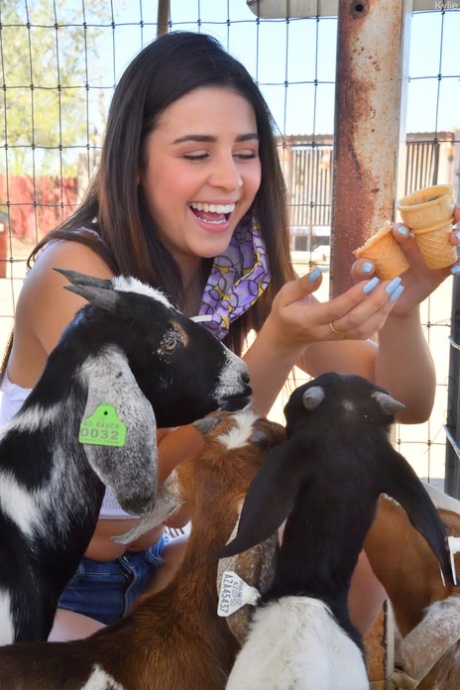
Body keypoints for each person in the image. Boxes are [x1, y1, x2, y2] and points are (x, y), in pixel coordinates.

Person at [1, 30, 459, 642]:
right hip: (37, 578)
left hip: (163, 561)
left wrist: (403, 311)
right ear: (134, 162)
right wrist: (275, 347)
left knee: (351, 525)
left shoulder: (243, 267)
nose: (231, 179)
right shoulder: (78, 282)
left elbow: (406, 398)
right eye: (196, 154)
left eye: (245, 153)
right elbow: (138, 482)